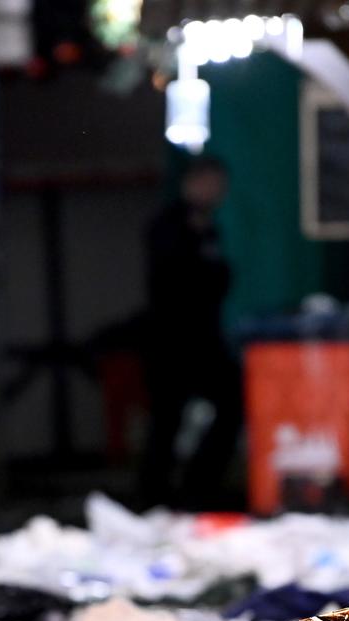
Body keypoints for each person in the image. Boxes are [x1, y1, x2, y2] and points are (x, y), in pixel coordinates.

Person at [138, 154, 240, 508]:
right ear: (193, 182)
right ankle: (154, 498)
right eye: (211, 184)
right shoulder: (168, 226)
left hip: (204, 341)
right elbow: (177, 282)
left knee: (232, 403)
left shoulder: (209, 228)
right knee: (166, 419)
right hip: (171, 342)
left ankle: (198, 488)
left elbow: (218, 280)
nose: (216, 193)